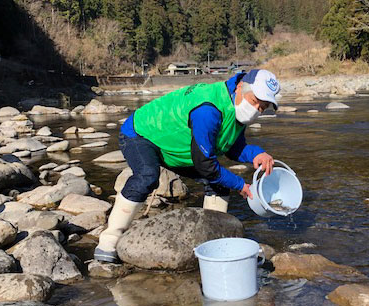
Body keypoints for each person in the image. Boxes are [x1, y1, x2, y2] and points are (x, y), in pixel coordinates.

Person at [94, 69, 280, 263]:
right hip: (141, 133)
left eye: (263, 107)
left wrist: (256, 153)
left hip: (174, 145)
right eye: (255, 101)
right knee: (147, 176)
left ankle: (211, 241)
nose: (257, 109)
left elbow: (231, 146)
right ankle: (109, 241)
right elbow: (206, 165)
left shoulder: (236, 106)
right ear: (241, 87)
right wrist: (241, 185)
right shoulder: (208, 109)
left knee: (219, 184)